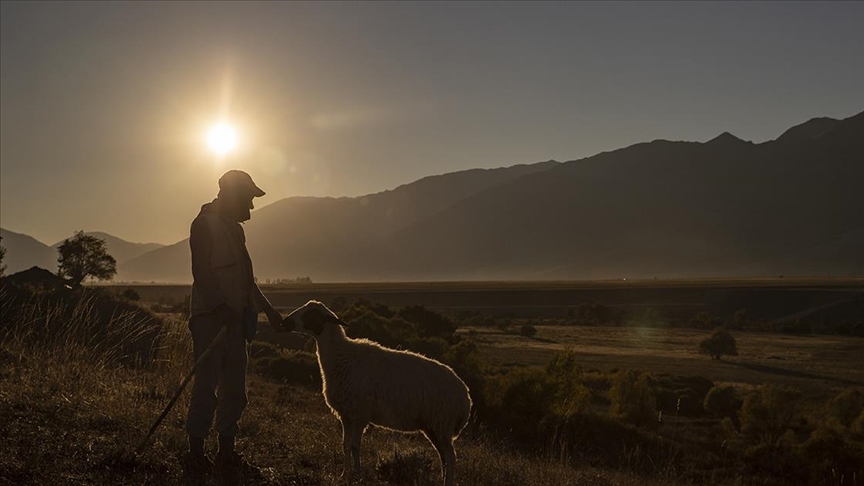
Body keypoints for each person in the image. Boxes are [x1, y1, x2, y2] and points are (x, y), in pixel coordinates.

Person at [184, 170, 284, 482]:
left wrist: (268, 311)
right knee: (206, 387)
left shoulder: (235, 230)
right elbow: (201, 272)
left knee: (234, 390)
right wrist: (220, 308)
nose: (252, 207)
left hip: (237, 322)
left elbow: (247, 281)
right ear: (231, 194)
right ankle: (196, 454)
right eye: (249, 199)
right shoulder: (203, 225)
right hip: (211, 321)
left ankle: (226, 453)